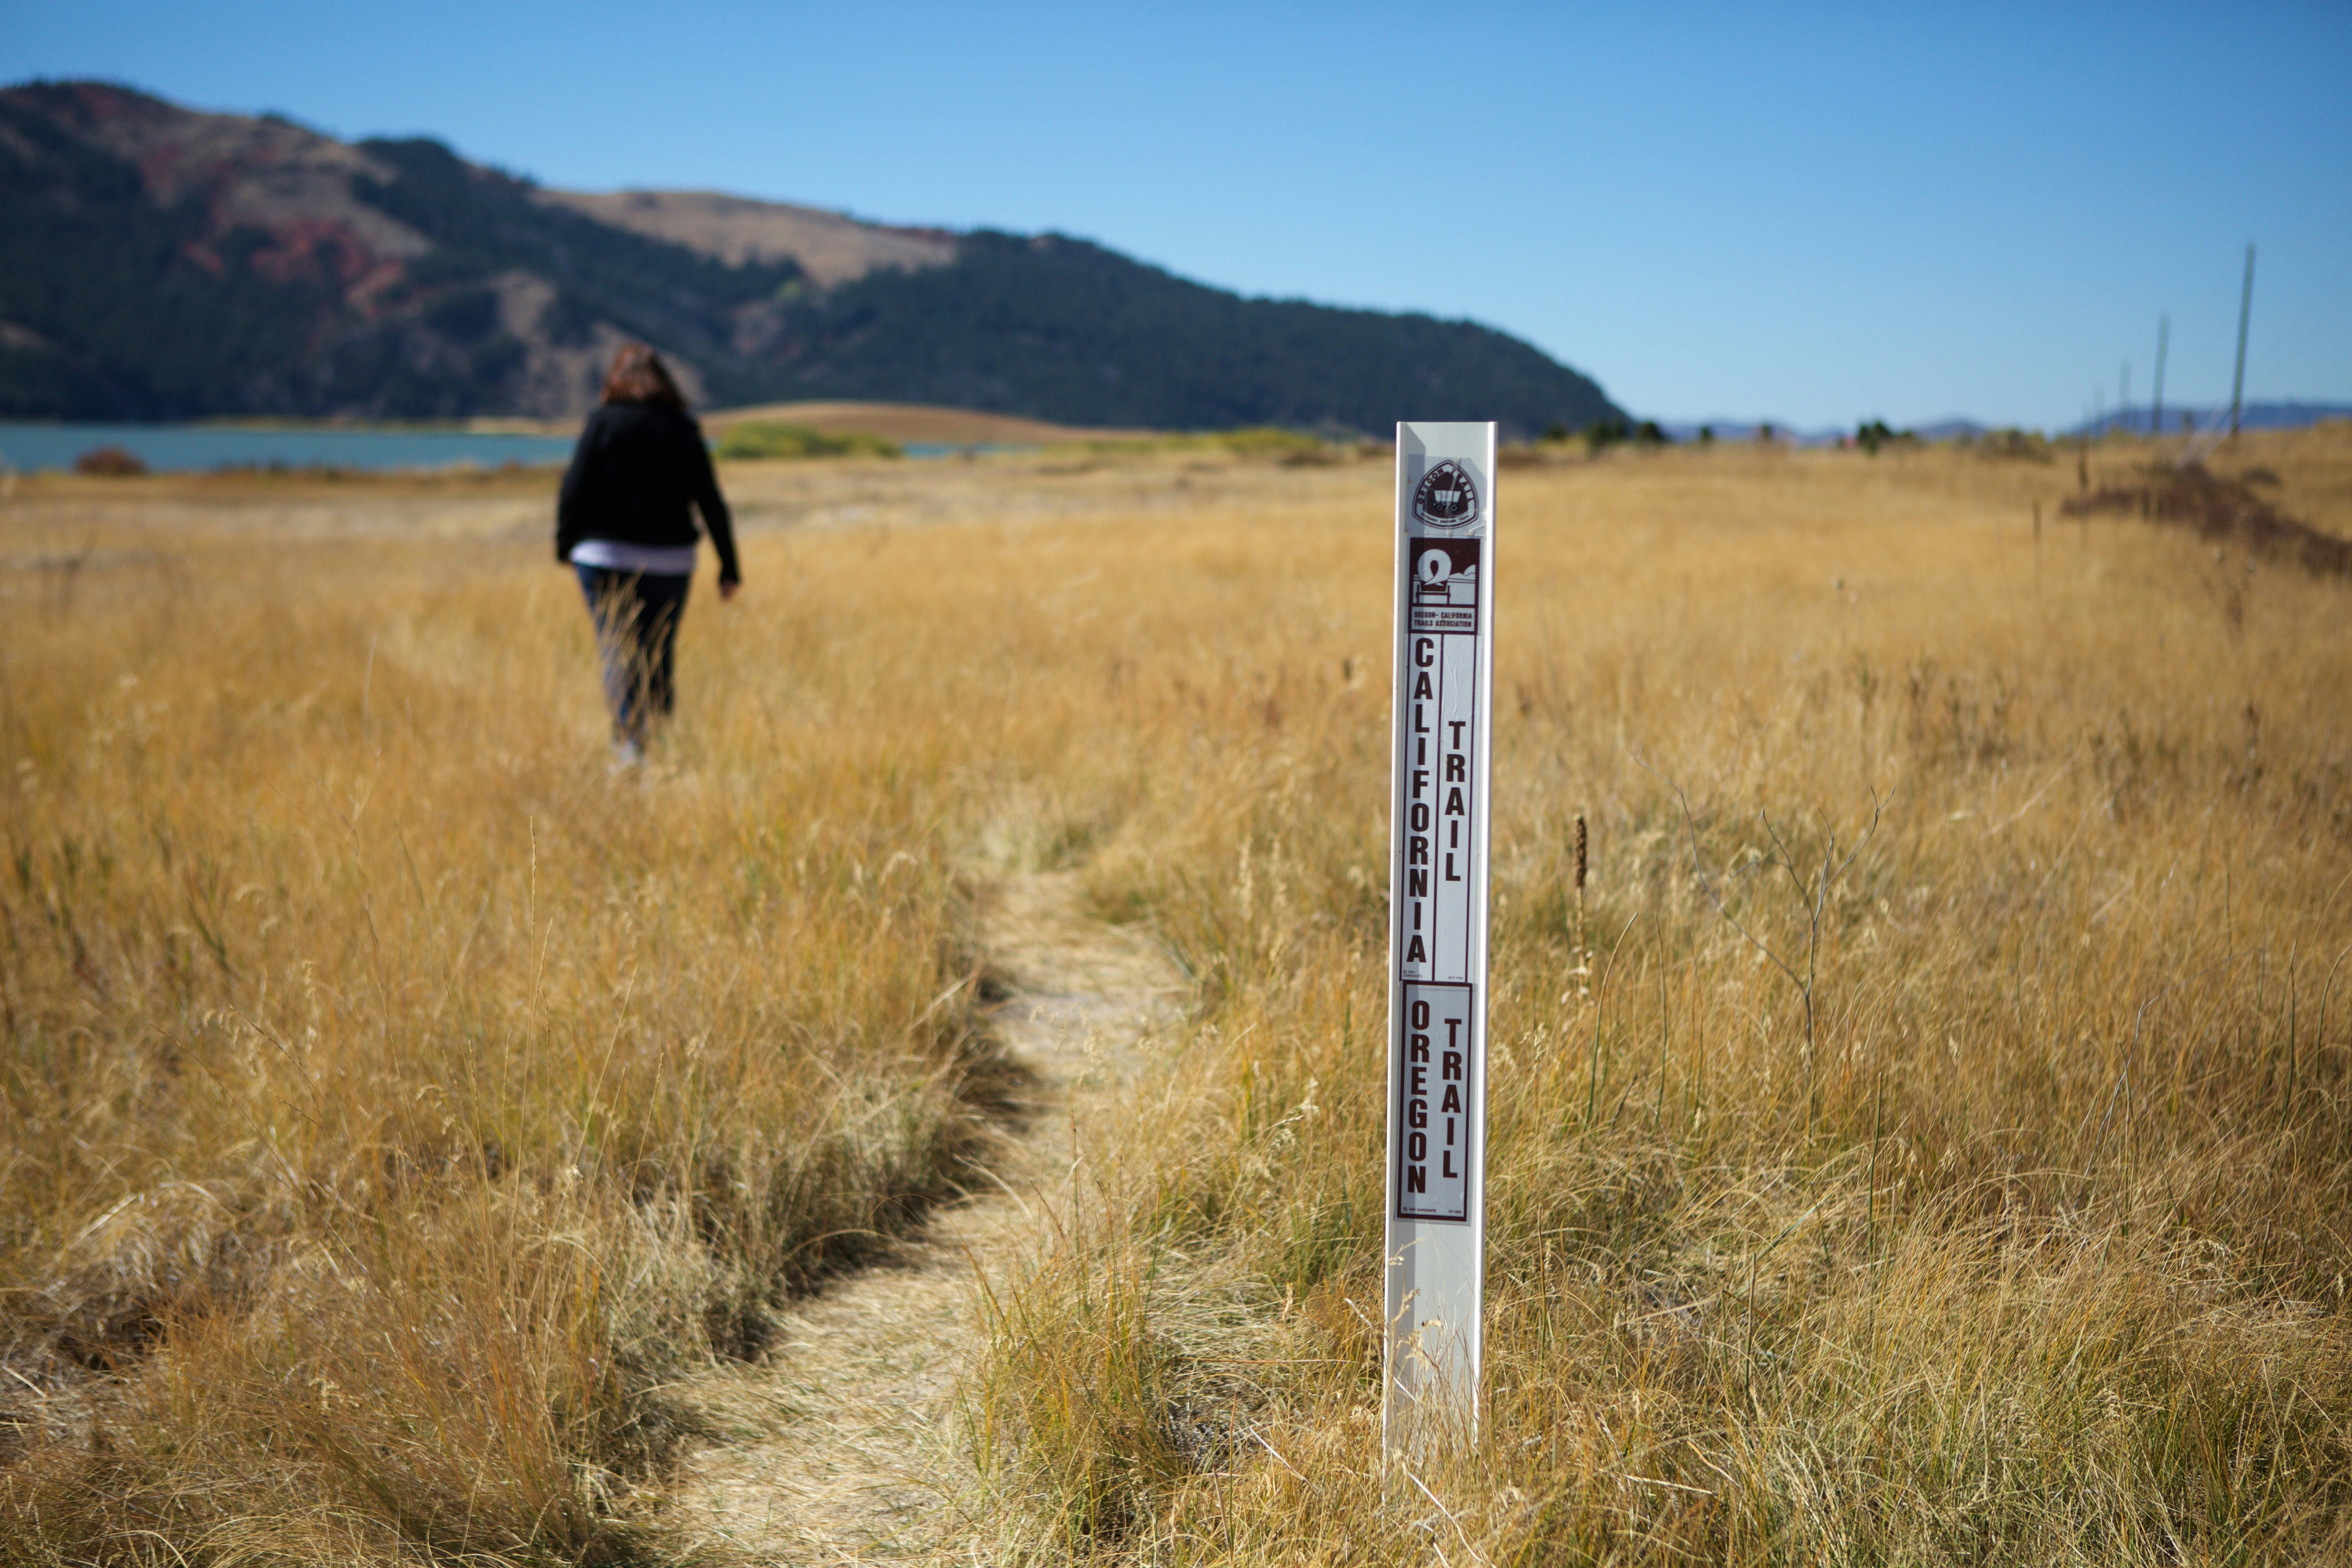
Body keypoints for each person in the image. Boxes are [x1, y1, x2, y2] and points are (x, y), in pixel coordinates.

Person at [555, 344, 741, 765]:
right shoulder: (683, 428)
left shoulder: (602, 423)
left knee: (618, 648)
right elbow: (711, 501)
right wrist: (729, 567)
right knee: (659, 651)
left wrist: (565, 545)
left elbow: (574, 489)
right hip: (670, 560)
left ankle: (628, 747)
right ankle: (659, 746)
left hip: (603, 557)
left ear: (614, 381)